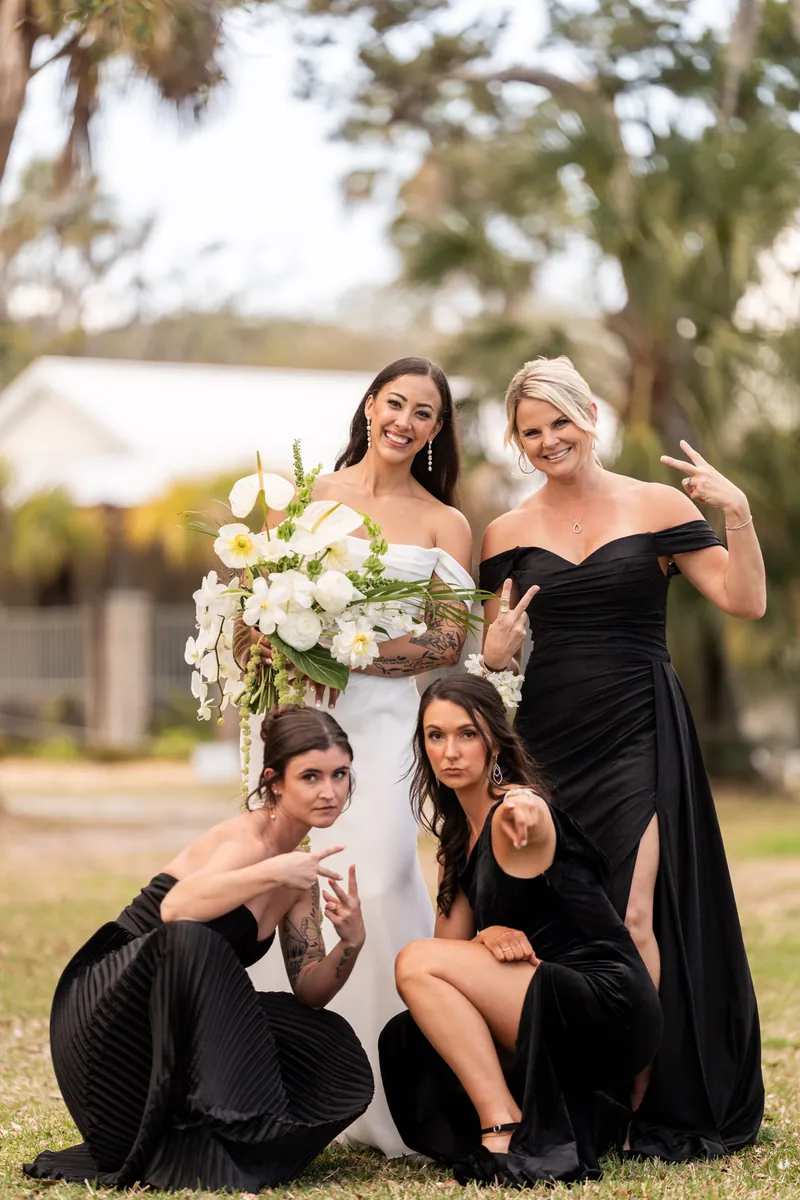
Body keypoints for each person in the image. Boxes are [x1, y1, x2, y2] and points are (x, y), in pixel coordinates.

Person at [477, 355, 766, 1160]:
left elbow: (746, 601)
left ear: (591, 415)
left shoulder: (658, 503)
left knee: (635, 914)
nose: (547, 441)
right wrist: (496, 651)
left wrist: (736, 513)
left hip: (640, 722)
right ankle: (583, 1093)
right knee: (567, 917)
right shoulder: (505, 533)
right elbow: (495, 660)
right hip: (548, 735)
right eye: (530, 432)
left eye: (559, 423)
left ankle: (642, 1095)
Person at [237, 357, 475, 1155]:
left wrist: (344, 647)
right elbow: (257, 615)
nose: (405, 421)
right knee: (284, 885)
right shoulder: (310, 501)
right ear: (370, 406)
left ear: (439, 431)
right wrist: (270, 638)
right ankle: (290, 1082)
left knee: (378, 876)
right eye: (395, 403)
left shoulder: (446, 523)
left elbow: (447, 641)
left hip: (383, 728)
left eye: (425, 414)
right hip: (306, 725)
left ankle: (389, 1097)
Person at [24, 706, 373, 1193]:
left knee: (325, 1038)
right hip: (110, 1007)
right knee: (193, 939)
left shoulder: (298, 877)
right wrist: (274, 870)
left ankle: (227, 1137)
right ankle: (215, 1130)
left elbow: (311, 991)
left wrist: (352, 943)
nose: (329, 791)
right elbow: (176, 911)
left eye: (340, 774)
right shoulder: (246, 842)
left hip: (171, 1017)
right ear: (275, 782)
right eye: (310, 776)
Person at [379, 675, 662, 1186]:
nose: (450, 752)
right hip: (542, 1000)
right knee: (410, 1026)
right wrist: (483, 939)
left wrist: (524, 812)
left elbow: (528, 814)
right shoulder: (458, 836)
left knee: (410, 961)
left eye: (467, 734)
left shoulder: (516, 809)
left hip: (603, 1002)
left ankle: (504, 1125)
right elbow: (447, 962)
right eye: (435, 735)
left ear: (495, 741)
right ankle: (529, 1116)